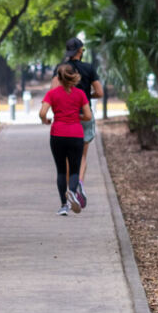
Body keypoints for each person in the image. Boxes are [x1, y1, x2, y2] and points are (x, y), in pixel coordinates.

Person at [40, 62, 93, 215]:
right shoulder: (80, 94)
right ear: (74, 77)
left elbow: (42, 113)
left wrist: (46, 120)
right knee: (75, 170)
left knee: (61, 171)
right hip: (76, 134)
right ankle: (73, 192)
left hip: (57, 134)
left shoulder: (52, 94)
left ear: (59, 77)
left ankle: (64, 205)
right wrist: (76, 116)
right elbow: (88, 116)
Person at [63, 37, 103, 196]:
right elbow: (100, 92)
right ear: (81, 51)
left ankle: (69, 188)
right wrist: (87, 96)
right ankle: (78, 183)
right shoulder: (89, 68)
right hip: (84, 115)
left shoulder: (62, 69)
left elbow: (53, 90)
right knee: (82, 155)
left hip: (67, 117)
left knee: (67, 156)